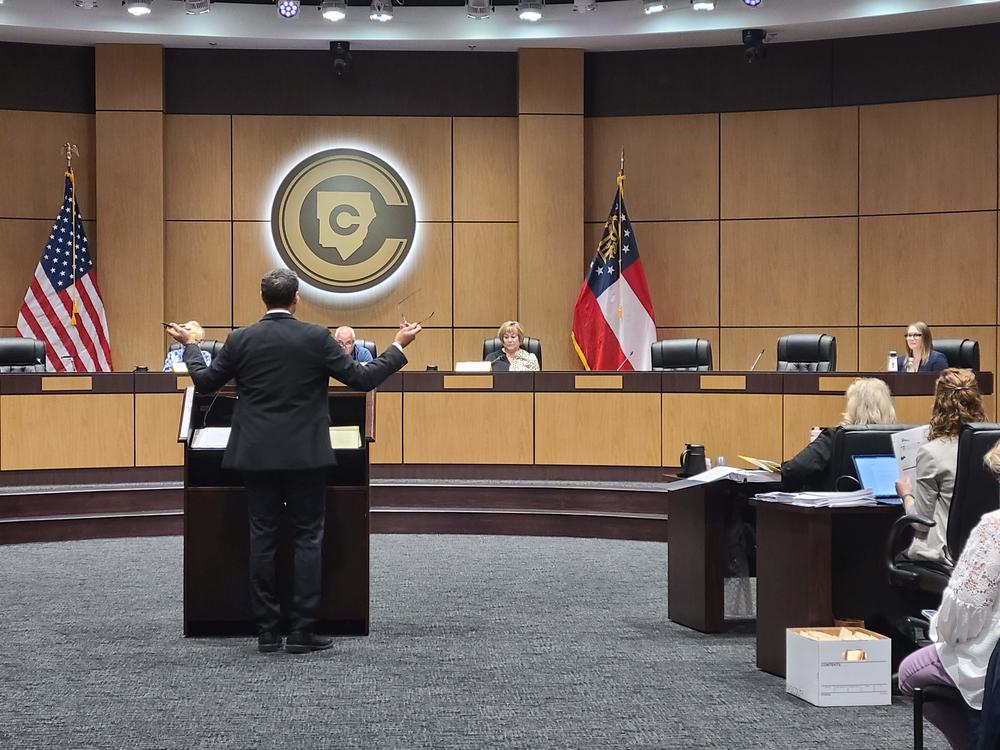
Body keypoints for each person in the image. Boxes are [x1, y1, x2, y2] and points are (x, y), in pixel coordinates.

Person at [167, 269, 421, 654]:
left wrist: (190, 345)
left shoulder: (241, 339)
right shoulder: (315, 337)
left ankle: (267, 631)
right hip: (305, 455)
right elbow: (360, 378)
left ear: (262, 297)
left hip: (255, 454)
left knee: (262, 538)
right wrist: (399, 345)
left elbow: (204, 382)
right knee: (307, 538)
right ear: (297, 298)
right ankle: (302, 631)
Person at [897, 439, 1000, 749]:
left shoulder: (994, 528)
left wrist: (941, 632)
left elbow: (960, 617)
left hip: (991, 658)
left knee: (908, 673)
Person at [896, 368, 985, 564]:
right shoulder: (993, 448)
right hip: (986, 551)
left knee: (898, 559)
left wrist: (906, 495)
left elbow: (921, 523)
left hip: (947, 554)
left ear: (939, 403)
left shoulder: (931, 453)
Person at [780, 378, 897, 491]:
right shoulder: (900, 438)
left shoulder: (836, 437)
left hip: (839, 509)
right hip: (892, 510)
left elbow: (794, 470)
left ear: (853, 407)